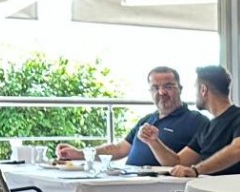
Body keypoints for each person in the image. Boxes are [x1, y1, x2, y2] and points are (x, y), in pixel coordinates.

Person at [57, 65, 205, 167]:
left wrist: (153, 142)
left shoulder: (196, 121)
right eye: (155, 88)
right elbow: (118, 149)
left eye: (168, 86)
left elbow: (179, 164)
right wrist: (80, 153)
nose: (161, 92)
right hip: (128, 181)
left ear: (180, 89)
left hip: (158, 189)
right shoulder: (147, 120)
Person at [142, 65, 240, 178]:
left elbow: (239, 150)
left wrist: (196, 170)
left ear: (203, 90)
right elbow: (178, 162)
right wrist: (153, 141)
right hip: (210, 191)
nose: (195, 95)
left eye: (195, 89)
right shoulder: (207, 128)